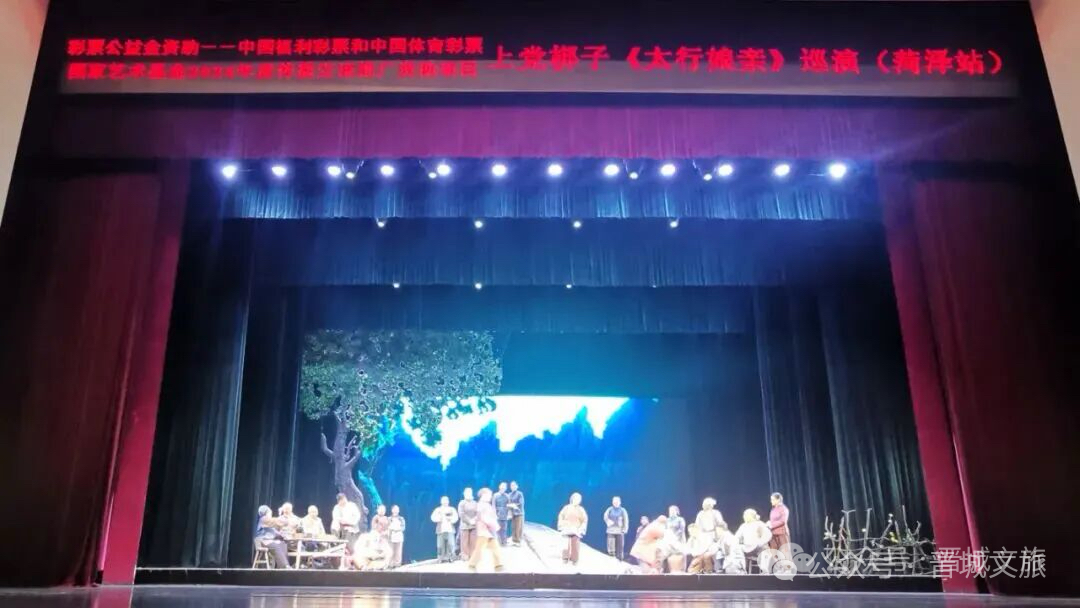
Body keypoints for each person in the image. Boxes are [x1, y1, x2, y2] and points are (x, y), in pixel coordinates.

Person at [467, 488, 504, 572]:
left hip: (489, 530)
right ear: (484, 495)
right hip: (484, 530)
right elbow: (484, 518)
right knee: (479, 549)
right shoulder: (481, 505)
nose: (490, 497)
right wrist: (495, 525)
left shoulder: (486, 505)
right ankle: (472, 565)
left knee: (495, 547)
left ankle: (498, 566)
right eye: (489, 495)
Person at [736, 508, 773, 573]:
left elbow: (768, 535)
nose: (744, 517)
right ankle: (741, 570)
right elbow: (736, 537)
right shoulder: (743, 526)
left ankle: (765, 571)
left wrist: (760, 542)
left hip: (758, 547)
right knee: (736, 548)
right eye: (744, 515)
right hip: (747, 548)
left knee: (765, 549)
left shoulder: (759, 524)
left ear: (751, 516)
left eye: (745, 515)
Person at [556, 492, 588, 565]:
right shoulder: (566, 508)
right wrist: (561, 525)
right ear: (572, 499)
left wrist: (581, 529)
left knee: (575, 544)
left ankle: (574, 559)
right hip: (566, 528)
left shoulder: (581, 509)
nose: (576, 501)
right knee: (565, 543)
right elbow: (561, 516)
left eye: (578, 499)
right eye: (575, 499)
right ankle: (565, 558)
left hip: (576, 529)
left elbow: (584, 520)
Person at [431, 496, 459, 563]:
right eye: (443, 501)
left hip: (450, 530)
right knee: (440, 545)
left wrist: (451, 519)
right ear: (441, 502)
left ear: (448, 501)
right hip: (440, 530)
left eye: (446, 500)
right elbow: (433, 517)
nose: (445, 502)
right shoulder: (438, 510)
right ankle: (440, 558)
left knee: (451, 544)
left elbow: (456, 517)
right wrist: (439, 518)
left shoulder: (451, 509)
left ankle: (451, 557)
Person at [603, 496, 630, 561]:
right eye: (614, 502)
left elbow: (626, 520)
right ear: (612, 502)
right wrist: (608, 521)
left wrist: (625, 529)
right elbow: (605, 516)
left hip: (620, 530)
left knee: (620, 546)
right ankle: (611, 556)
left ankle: (620, 558)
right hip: (611, 530)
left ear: (620, 502)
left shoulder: (623, 510)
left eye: (617, 502)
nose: (615, 503)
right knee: (611, 544)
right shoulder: (609, 509)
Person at [457, 487, 479, 561]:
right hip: (464, 525)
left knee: (473, 542)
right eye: (467, 493)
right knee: (464, 542)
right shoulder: (462, 503)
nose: (468, 494)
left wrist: (474, 520)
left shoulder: (475, 503)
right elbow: (461, 514)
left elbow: (478, 513)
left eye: (470, 492)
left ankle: (472, 556)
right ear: (464, 494)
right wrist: (469, 521)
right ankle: (465, 557)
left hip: (474, 525)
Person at [767, 492, 791, 559]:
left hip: (781, 533)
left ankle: (787, 565)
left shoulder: (783, 509)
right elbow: (773, 520)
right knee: (774, 553)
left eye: (772, 499)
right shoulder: (773, 509)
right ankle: (777, 565)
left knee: (785, 552)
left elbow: (783, 521)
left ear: (778, 500)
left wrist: (771, 525)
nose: (771, 501)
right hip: (773, 534)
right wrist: (769, 523)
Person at [507, 481, 525, 546]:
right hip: (512, 513)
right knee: (513, 527)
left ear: (517, 486)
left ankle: (518, 541)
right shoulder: (509, 494)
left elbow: (521, 503)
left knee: (518, 527)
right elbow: (508, 503)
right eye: (511, 485)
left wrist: (513, 505)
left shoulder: (520, 494)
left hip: (519, 513)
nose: (513, 487)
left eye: (514, 485)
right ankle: (513, 540)